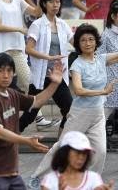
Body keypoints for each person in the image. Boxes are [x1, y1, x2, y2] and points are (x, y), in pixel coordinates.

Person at [27, 24, 118, 189]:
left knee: (100, 151)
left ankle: (91, 183)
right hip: (80, 113)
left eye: (91, 39)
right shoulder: (77, 64)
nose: (88, 43)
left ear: (96, 42)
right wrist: (103, 92)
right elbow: (78, 90)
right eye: (83, 40)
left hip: (98, 114)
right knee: (63, 145)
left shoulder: (102, 59)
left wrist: (102, 93)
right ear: (78, 44)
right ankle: (38, 178)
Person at [0, 52, 64, 190]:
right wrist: (27, 141)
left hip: (12, 171)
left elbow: (37, 101)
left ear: (14, 73)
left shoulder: (12, 94)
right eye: (0, 71)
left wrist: (54, 84)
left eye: (9, 71)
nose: (6, 75)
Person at [20, 0, 73, 135]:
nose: (55, 5)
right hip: (41, 76)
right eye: (51, 2)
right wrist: (47, 57)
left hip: (58, 75)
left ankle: (61, 140)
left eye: (58, 1)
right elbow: (28, 49)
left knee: (70, 110)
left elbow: (75, 42)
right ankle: (10, 137)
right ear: (44, 4)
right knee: (30, 114)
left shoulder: (62, 24)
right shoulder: (37, 25)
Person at [41, 131, 114, 190]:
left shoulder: (94, 178)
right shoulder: (50, 180)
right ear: (65, 152)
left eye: (85, 153)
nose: (81, 157)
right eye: (78, 152)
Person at [97, 0, 118, 148]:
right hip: (111, 79)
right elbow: (98, 57)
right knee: (104, 113)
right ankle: (98, 142)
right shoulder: (106, 35)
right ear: (113, 16)